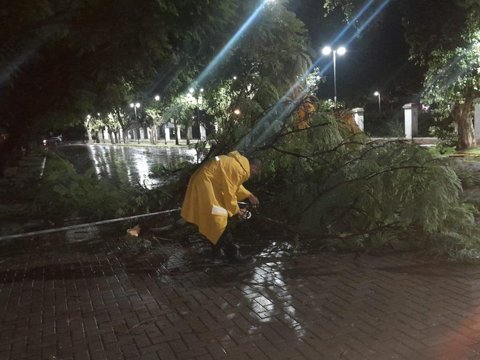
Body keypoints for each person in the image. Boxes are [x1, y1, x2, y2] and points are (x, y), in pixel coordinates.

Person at [181, 150, 260, 263]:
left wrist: (249, 195)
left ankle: (216, 254)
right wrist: (238, 211)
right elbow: (229, 193)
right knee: (219, 218)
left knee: (215, 219)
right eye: (255, 173)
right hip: (205, 186)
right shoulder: (238, 169)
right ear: (254, 167)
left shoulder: (236, 164)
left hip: (205, 183)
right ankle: (234, 256)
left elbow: (234, 185)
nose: (253, 176)